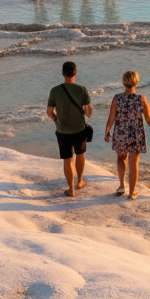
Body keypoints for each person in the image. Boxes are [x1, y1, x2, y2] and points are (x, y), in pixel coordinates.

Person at [105, 70, 150, 199]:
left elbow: (111, 117)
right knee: (134, 163)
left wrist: (107, 130)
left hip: (121, 133)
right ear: (137, 82)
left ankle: (122, 186)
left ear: (123, 83)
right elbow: (149, 117)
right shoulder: (142, 99)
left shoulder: (117, 98)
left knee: (121, 158)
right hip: (136, 134)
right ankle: (132, 192)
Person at [46, 60, 93, 197]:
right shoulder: (82, 90)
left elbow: (49, 112)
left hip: (62, 131)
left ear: (62, 74)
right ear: (76, 72)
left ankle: (71, 189)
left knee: (67, 159)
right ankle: (79, 182)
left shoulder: (55, 91)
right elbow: (89, 113)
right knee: (80, 154)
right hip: (79, 129)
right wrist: (85, 110)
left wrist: (56, 120)